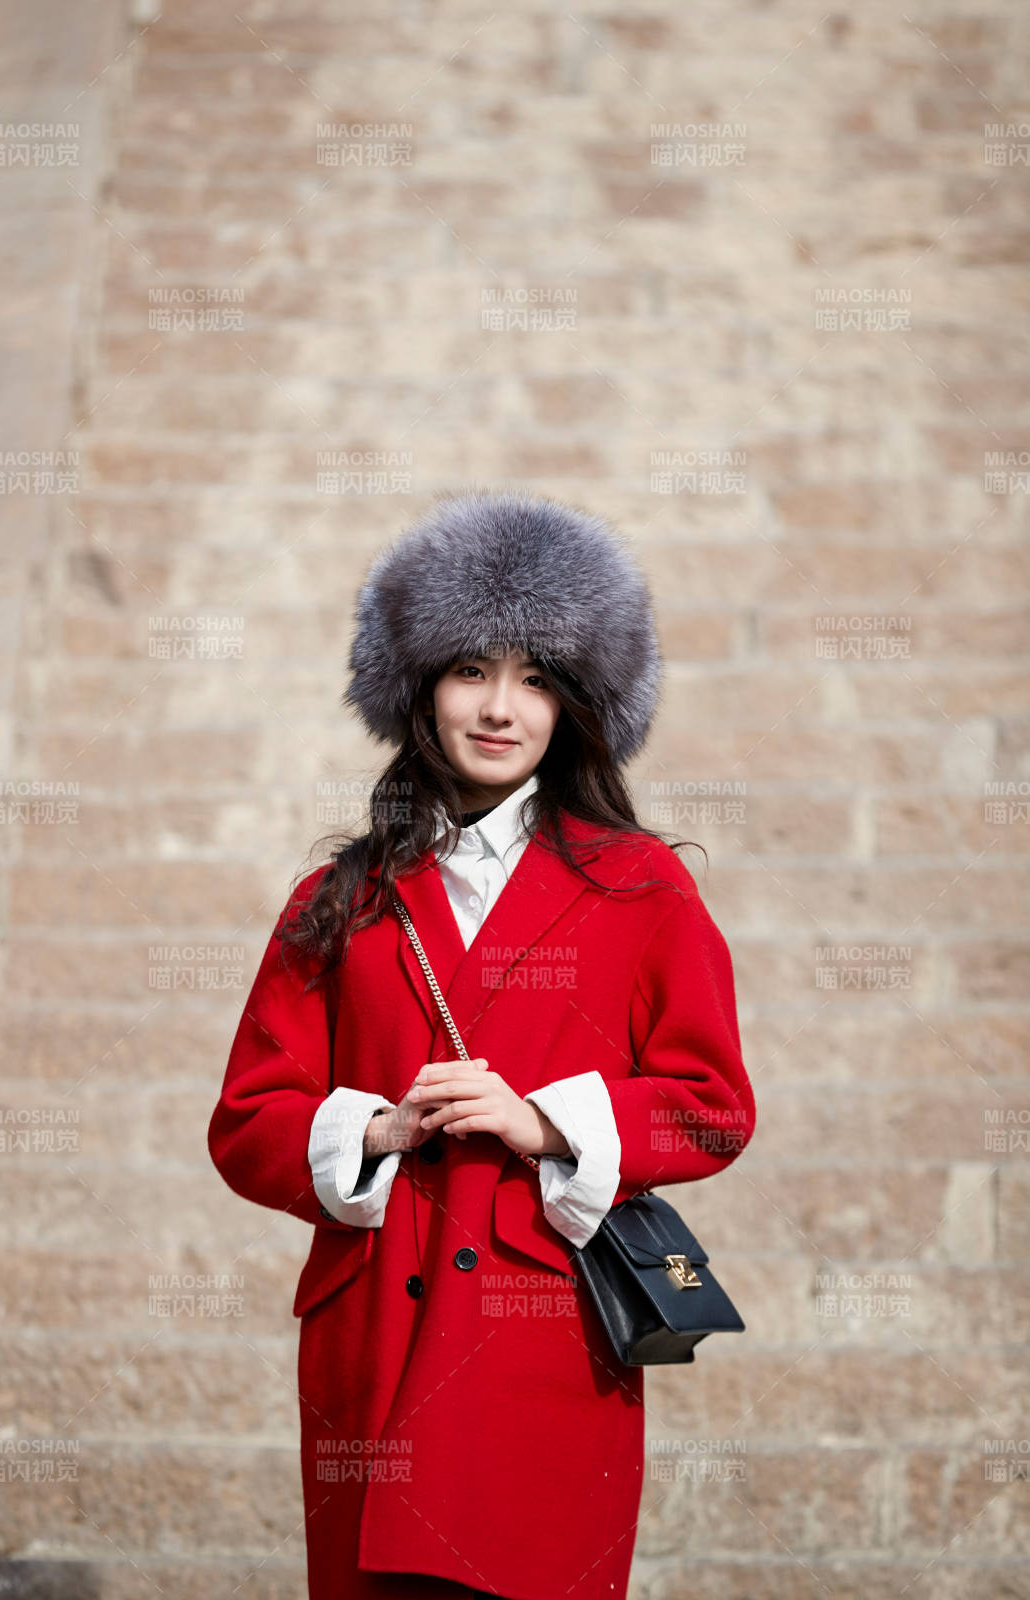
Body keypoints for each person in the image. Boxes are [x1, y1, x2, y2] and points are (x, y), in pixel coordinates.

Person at [207, 487, 757, 1600]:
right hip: (375, 1330)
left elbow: (711, 1101)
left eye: (537, 677)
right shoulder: (341, 897)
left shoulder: (639, 887)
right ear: (418, 690)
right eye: (470, 670)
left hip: (545, 1333)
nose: (500, 707)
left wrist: (543, 1117)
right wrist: (375, 1124)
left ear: (577, 705)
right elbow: (245, 1121)